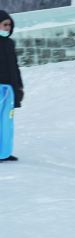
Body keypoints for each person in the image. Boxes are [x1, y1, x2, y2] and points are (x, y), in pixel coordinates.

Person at [0, 10, 24, 162]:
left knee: (7, 123)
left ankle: (5, 151)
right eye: (4, 25)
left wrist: (19, 87)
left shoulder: (10, 43)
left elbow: (14, 67)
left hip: (9, 89)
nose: (7, 28)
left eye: (9, 25)